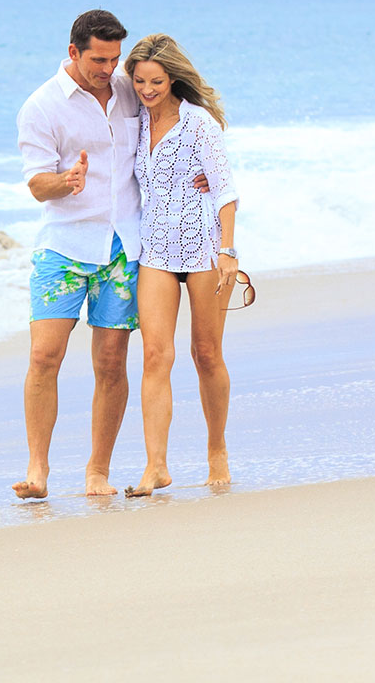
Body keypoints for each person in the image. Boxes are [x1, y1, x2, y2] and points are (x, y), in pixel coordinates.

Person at [12, 10, 146, 499]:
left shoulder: (132, 91)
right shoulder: (42, 106)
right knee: (45, 355)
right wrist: (64, 182)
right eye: (97, 59)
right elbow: (36, 185)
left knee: (112, 364)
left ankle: (97, 472)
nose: (107, 68)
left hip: (123, 247)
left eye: (114, 58)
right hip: (64, 247)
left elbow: (172, 127)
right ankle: (37, 470)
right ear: (73, 52)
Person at [123, 34, 238, 497]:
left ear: (173, 79)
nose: (147, 89)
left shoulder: (198, 123)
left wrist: (228, 251)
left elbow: (226, 190)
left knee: (205, 354)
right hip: (155, 252)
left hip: (205, 249)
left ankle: (217, 450)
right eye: (139, 81)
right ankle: (156, 466)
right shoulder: (134, 124)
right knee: (155, 355)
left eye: (156, 81)